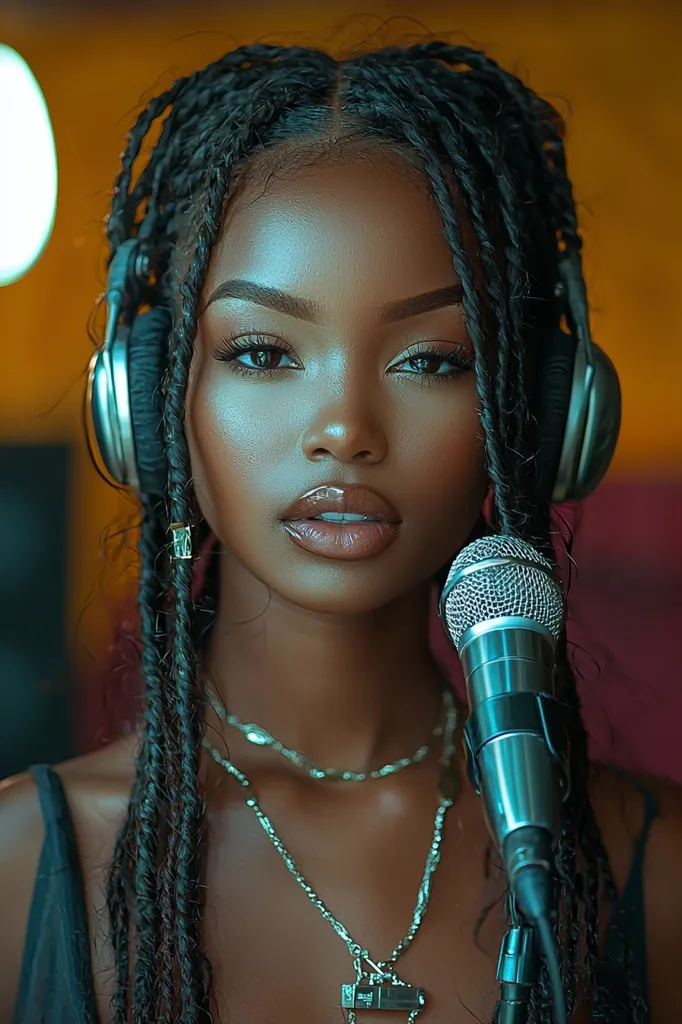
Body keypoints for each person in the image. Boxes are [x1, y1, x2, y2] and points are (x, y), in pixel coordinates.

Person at [1, 38, 681, 1024]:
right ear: (153, 406)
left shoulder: (649, 875)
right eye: (264, 351)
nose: (345, 430)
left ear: (536, 416)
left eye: (431, 360)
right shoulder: (19, 869)